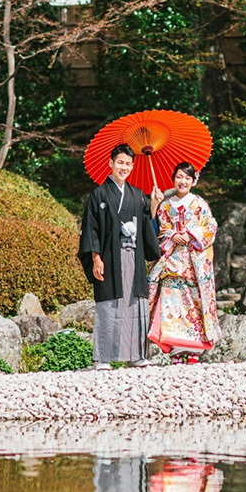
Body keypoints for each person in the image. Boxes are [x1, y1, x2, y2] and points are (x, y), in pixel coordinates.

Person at [79, 144, 163, 370]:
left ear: (133, 166)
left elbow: (148, 224)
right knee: (109, 304)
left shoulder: (137, 195)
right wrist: (96, 258)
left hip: (134, 257)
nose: (124, 167)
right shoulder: (99, 194)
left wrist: (153, 206)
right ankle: (104, 357)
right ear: (111, 163)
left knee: (135, 304)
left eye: (128, 164)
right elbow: (91, 229)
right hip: (109, 256)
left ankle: (136, 355)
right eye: (120, 163)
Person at [148, 162, 221, 365]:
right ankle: (176, 350)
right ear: (174, 179)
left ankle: (192, 350)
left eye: (187, 178)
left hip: (194, 263)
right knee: (173, 303)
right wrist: (172, 235)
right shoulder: (165, 205)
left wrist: (190, 235)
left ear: (193, 181)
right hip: (173, 262)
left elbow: (210, 228)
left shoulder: (200, 204)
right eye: (179, 177)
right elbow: (160, 231)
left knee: (194, 304)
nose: (183, 181)